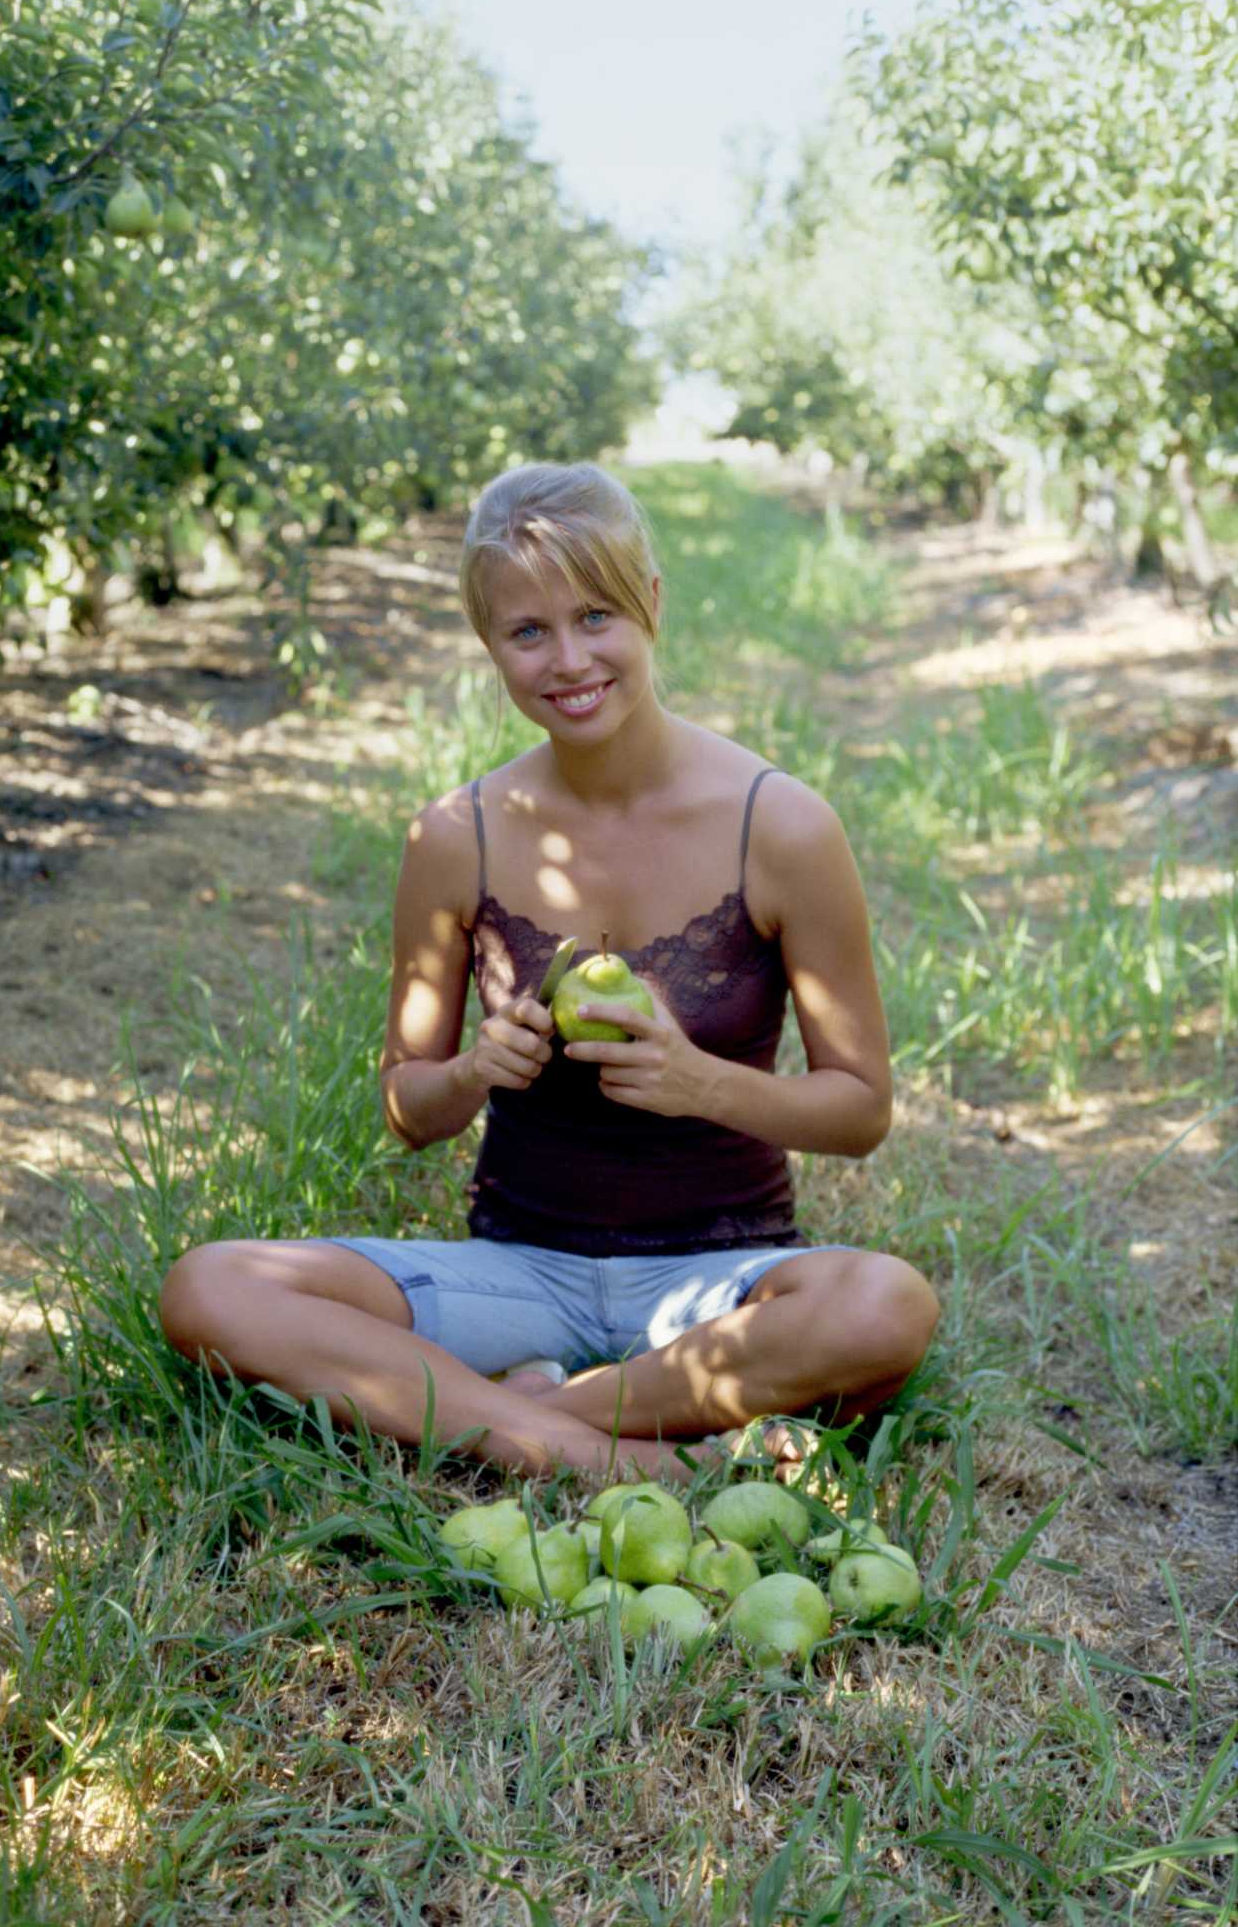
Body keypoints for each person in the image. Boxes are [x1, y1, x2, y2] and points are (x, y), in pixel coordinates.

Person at [159, 462, 939, 1484]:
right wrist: (477, 1069)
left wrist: (702, 1082)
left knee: (887, 1305)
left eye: (596, 615)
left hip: (720, 1280)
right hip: (516, 1272)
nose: (568, 659)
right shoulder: (456, 834)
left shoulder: (780, 825)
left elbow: (861, 1108)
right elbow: (407, 1105)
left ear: (651, 602)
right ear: (490, 643)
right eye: (527, 632)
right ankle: (592, 1435)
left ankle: (544, 1413)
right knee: (209, 1287)